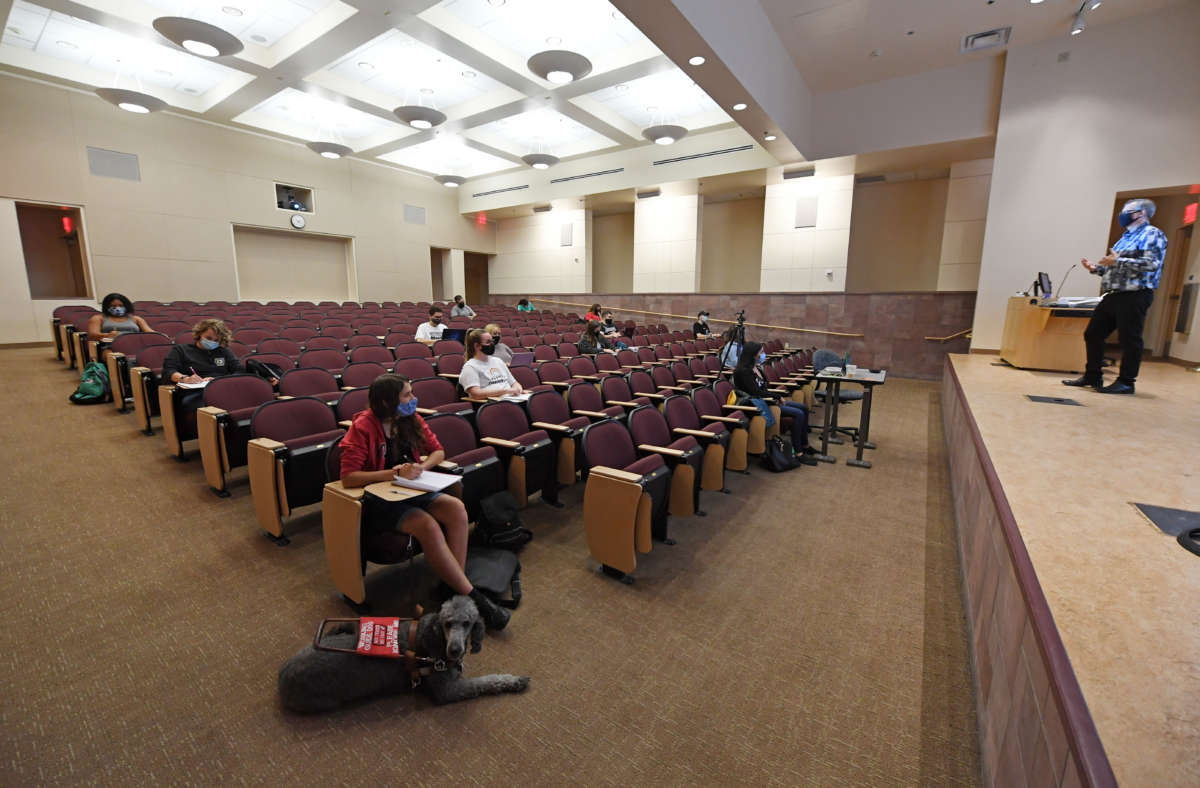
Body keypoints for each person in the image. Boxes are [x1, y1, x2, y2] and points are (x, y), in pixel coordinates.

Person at [338, 373, 510, 630]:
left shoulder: (410, 419)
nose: (413, 399)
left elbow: (438, 450)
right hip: (379, 499)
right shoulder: (363, 426)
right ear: (386, 402)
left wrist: (421, 467)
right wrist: (395, 473)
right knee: (427, 525)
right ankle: (470, 596)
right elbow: (349, 477)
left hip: (413, 488)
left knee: (457, 509)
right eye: (407, 395)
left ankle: (454, 585)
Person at [1063, 198, 1168, 395]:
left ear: (1142, 213)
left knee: (1130, 338)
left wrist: (1118, 260)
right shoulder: (1125, 237)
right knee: (1093, 333)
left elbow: (1151, 264)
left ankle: (1127, 382)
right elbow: (1114, 267)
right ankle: (1092, 375)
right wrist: (1096, 268)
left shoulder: (1152, 234)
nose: (1123, 214)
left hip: (1135, 294)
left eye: (1128, 211)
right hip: (1114, 294)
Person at [733, 341, 817, 465]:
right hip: (758, 405)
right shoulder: (742, 371)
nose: (763, 354)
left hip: (768, 400)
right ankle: (799, 452)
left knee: (803, 408)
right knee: (798, 414)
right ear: (752, 354)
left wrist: (775, 396)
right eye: (760, 352)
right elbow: (755, 392)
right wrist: (777, 396)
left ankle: (805, 445)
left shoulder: (756, 367)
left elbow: (764, 389)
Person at [458, 329, 525, 399]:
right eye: (488, 342)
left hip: (512, 399)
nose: (492, 344)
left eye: (492, 341)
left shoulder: (498, 361)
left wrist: (518, 389)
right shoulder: (470, 367)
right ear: (477, 346)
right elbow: (476, 394)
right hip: (492, 404)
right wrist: (506, 391)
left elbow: (514, 383)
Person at [87, 292, 153, 342]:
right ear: (107, 307)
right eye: (113, 306)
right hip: (110, 345)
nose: (117, 308)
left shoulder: (136, 319)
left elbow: (150, 333)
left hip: (135, 344)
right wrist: (107, 335)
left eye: (121, 306)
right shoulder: (98, 318)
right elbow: (92, 335)